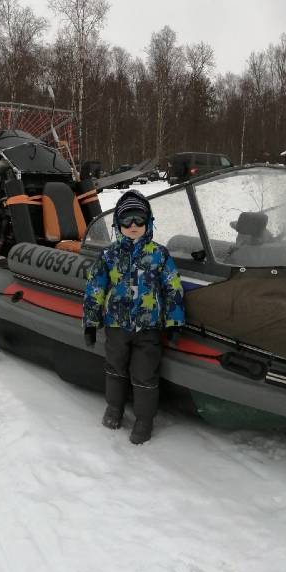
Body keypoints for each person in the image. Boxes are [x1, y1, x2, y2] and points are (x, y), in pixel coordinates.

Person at [82, 190, 185, 444]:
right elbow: (95, 288)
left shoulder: (159, 255)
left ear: (148, 222)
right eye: (126, 220)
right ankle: (114, 408)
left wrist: (174, 321)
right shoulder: (109, 256)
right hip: (116, 325)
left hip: (148, 328)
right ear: (118, 224)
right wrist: (91, 322)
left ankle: (144, 420)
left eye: (139, 219)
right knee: (115, 368)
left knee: (145, 374)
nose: (133, 226)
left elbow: (173, 287)